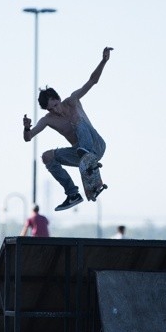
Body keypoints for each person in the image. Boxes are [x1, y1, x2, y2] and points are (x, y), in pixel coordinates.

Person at [22, 46, 113, 211]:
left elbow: (92, 81)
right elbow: (29, 138)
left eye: (55, 105)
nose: (55, 111)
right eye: (51, 109)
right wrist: (26, 128)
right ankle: (72, 194)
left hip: (96, 145)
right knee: (47, 157)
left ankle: (86, 155)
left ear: (58, 98)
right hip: (80, 154)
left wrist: (103, 61)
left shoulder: (72, 100)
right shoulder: (48, 120)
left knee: (75, 118)